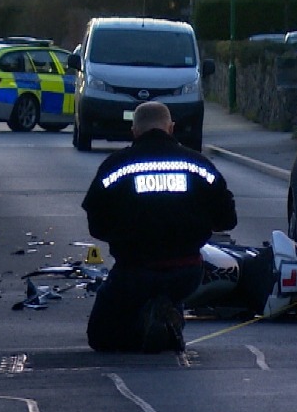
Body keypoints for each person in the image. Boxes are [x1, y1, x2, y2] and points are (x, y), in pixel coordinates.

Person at [82, 101, 237, 353]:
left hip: (134, 270)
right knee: (165, 292)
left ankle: (148, 323)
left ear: (134, 131)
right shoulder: (198, 165)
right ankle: (166, 314)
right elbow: (227, 219)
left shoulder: (115, 166)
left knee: (100, 337)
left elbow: (96, 223)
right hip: (186, 272)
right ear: (171, 128)